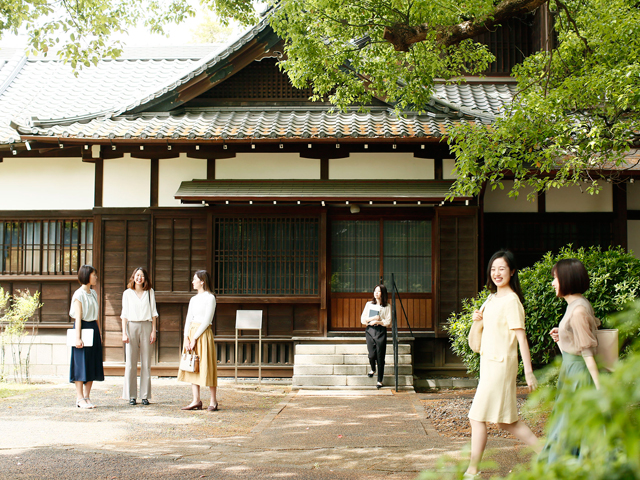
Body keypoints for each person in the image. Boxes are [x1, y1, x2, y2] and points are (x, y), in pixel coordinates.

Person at [464, 251, 540, 478]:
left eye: (502, 269)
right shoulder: (491, 299)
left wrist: (529, 372)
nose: (496, 273)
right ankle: (546, 451)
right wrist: (477, 321)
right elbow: (483, 335)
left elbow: (521, 338)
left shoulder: (512, 301)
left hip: (501, 366)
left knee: (477, 416)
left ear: (512, 272)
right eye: (493, 269)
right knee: (506, 422)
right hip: (489, 363)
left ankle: (472, 470)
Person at [540, 258, 600, 463]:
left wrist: (599, 387)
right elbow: (575, 347)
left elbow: (587, 352)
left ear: (567, 279)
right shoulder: (577, 304)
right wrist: (562, 338)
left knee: (567, 425)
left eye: (555, 278)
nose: (552, 283)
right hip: (571, 372)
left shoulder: (578, 310)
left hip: (578, 376)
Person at [178, 270, 218, 411]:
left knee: (208, 365)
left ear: (202, 281)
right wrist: (186, 337)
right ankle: (196, 400)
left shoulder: (210, 298)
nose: (192, 282)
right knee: (192, 364)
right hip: (191, 332)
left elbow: (207, 320)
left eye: (195, 279)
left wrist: (195, 337)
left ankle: (213, 401)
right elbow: (188, 319)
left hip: (203, 333)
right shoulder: (193, 299)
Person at [121, 267, 158, 406]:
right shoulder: (127, 293)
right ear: (133, 277)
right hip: (131, 326)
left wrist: (153, 331)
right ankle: (131, 395)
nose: (139, 278)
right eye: (137, 275)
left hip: (146, 325)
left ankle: (145, 396)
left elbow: (154, 313)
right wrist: (124, 332)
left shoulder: (150, 292)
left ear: (145, 278)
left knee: (146, 362)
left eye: (142, 275)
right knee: (131, 362)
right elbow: (124, 314)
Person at [69, 265, 104, 409]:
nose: (96, 277)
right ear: (86, 276)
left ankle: (87, 396)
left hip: (93, 328)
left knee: (92, 362)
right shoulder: (79, 295)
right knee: (80, 363)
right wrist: (77, 338)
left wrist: (99, 334)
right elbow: (78, 318)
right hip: (82, 328)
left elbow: (96, 316)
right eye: (93, 275)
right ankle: (79, 398)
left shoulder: (94, 293)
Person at [360, 284, 391, 389]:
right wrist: (373, 318)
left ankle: (379, 380)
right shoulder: (369, 304)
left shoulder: (387, 306)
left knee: (380, 356)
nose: (376, 293)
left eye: (378, 291)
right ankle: (373, 369)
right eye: (375, 291)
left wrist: (379, 321)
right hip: (370, 330)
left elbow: (388, 322)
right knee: (372, 355)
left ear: (383, 293)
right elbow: (363, 319)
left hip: (381, 331)